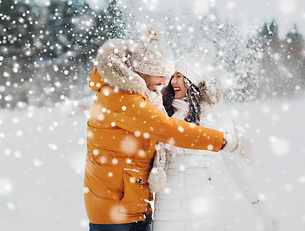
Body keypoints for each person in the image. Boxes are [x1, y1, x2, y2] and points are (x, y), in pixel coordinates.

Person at [84, 24, 238, 231]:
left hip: (131, 206)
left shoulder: (141, 96)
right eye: (160, 74)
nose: (165, 81)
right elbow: (167, 129)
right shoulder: (122, 97)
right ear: (144, 71)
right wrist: (223, 140)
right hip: (114, 214)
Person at [150, 60, 278, 231]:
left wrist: (260, 207)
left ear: (192, 81)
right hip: (167, 213)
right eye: (172, 76)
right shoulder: (163, 115)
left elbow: (236, 166)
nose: (173, 82)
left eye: (179, 76)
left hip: (204, 211)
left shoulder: (214, 119)